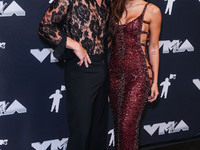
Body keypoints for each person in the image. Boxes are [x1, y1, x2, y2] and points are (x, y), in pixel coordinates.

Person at [38, 0, 110, 150]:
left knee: (98, 130)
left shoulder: (107, 2)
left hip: (102, 66)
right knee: (81, 131)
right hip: (81, 69)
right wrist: (75, 46)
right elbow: (45, 26)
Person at [109, 0, 161, 149]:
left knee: (127, 126)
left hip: (138, 74)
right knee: (119, 127)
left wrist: (155, 80)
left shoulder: (152, 10)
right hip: (114, 74)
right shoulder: (115, 6)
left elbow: (154, 47)